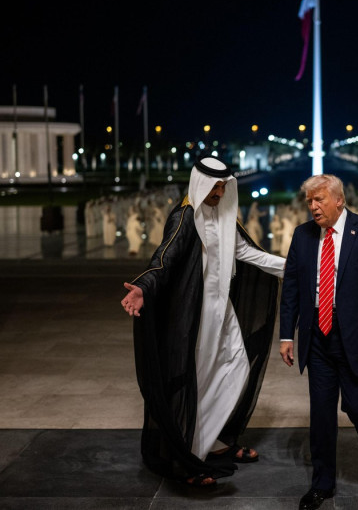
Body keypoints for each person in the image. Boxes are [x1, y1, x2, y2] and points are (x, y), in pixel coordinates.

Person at [120, 156, 285, 487]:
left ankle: (212, 440)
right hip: (195, 315)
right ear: (200, 184)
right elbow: (164, 257)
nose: (219, 192)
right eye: (214, 186)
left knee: (236, 368)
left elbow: (249, 254)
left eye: (224, 186)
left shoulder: (225, 216)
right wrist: (143, 286)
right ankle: (188, 455)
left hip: (222, 312)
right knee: (198, 380)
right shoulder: (185, 216)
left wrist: (295, 267)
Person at [279, 174, 358, 510]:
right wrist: (288, 334)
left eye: (319, 200)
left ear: (339, 199)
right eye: (309, 201)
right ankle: (322, 484)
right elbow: (291, 288)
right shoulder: (302, 236)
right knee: (322, 414)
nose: (313, 207)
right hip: (317, 338)